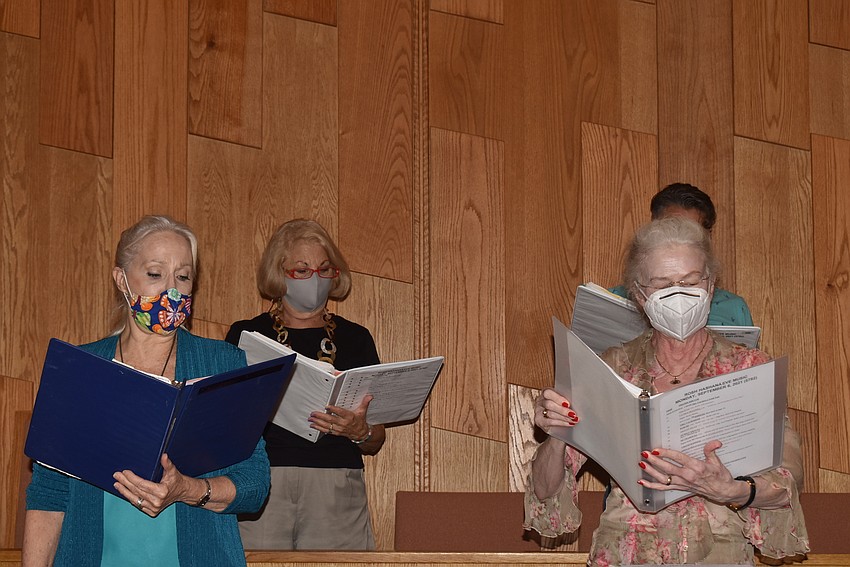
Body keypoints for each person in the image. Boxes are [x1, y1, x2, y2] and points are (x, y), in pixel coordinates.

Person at [526, 217, 808, 565]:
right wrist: (558, 434)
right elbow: (546, 489)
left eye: (690, 281)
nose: (678, 293)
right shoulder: (610, 368)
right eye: (662, 284)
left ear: (711, 284)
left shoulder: (748, 367)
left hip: (718, 555)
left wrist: (732, 489)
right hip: (625, 553)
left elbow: (786, 482)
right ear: (639, 294)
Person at [23, 215, 270, 567]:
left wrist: (187, 489)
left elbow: (255, 482)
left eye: (183, 276)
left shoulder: (222, 362)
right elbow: (48, 495)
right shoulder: (78, 369)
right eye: (155, 274)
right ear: (121, 279)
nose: (172, 291)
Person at [226, 218, 385, 550]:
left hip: (334, 482)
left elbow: (376, 438)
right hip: (263, 479)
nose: (315, 279)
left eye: (324, 269)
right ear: (279, 273)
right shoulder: (247, 335)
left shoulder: (356, 338)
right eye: (302, 270)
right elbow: (224, 418)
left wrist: (360, 431)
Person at [610, 182, 753, 326]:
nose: (680, 240)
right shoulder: (613, 301)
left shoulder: (734, 308)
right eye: (671, 229)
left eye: (691, 282)